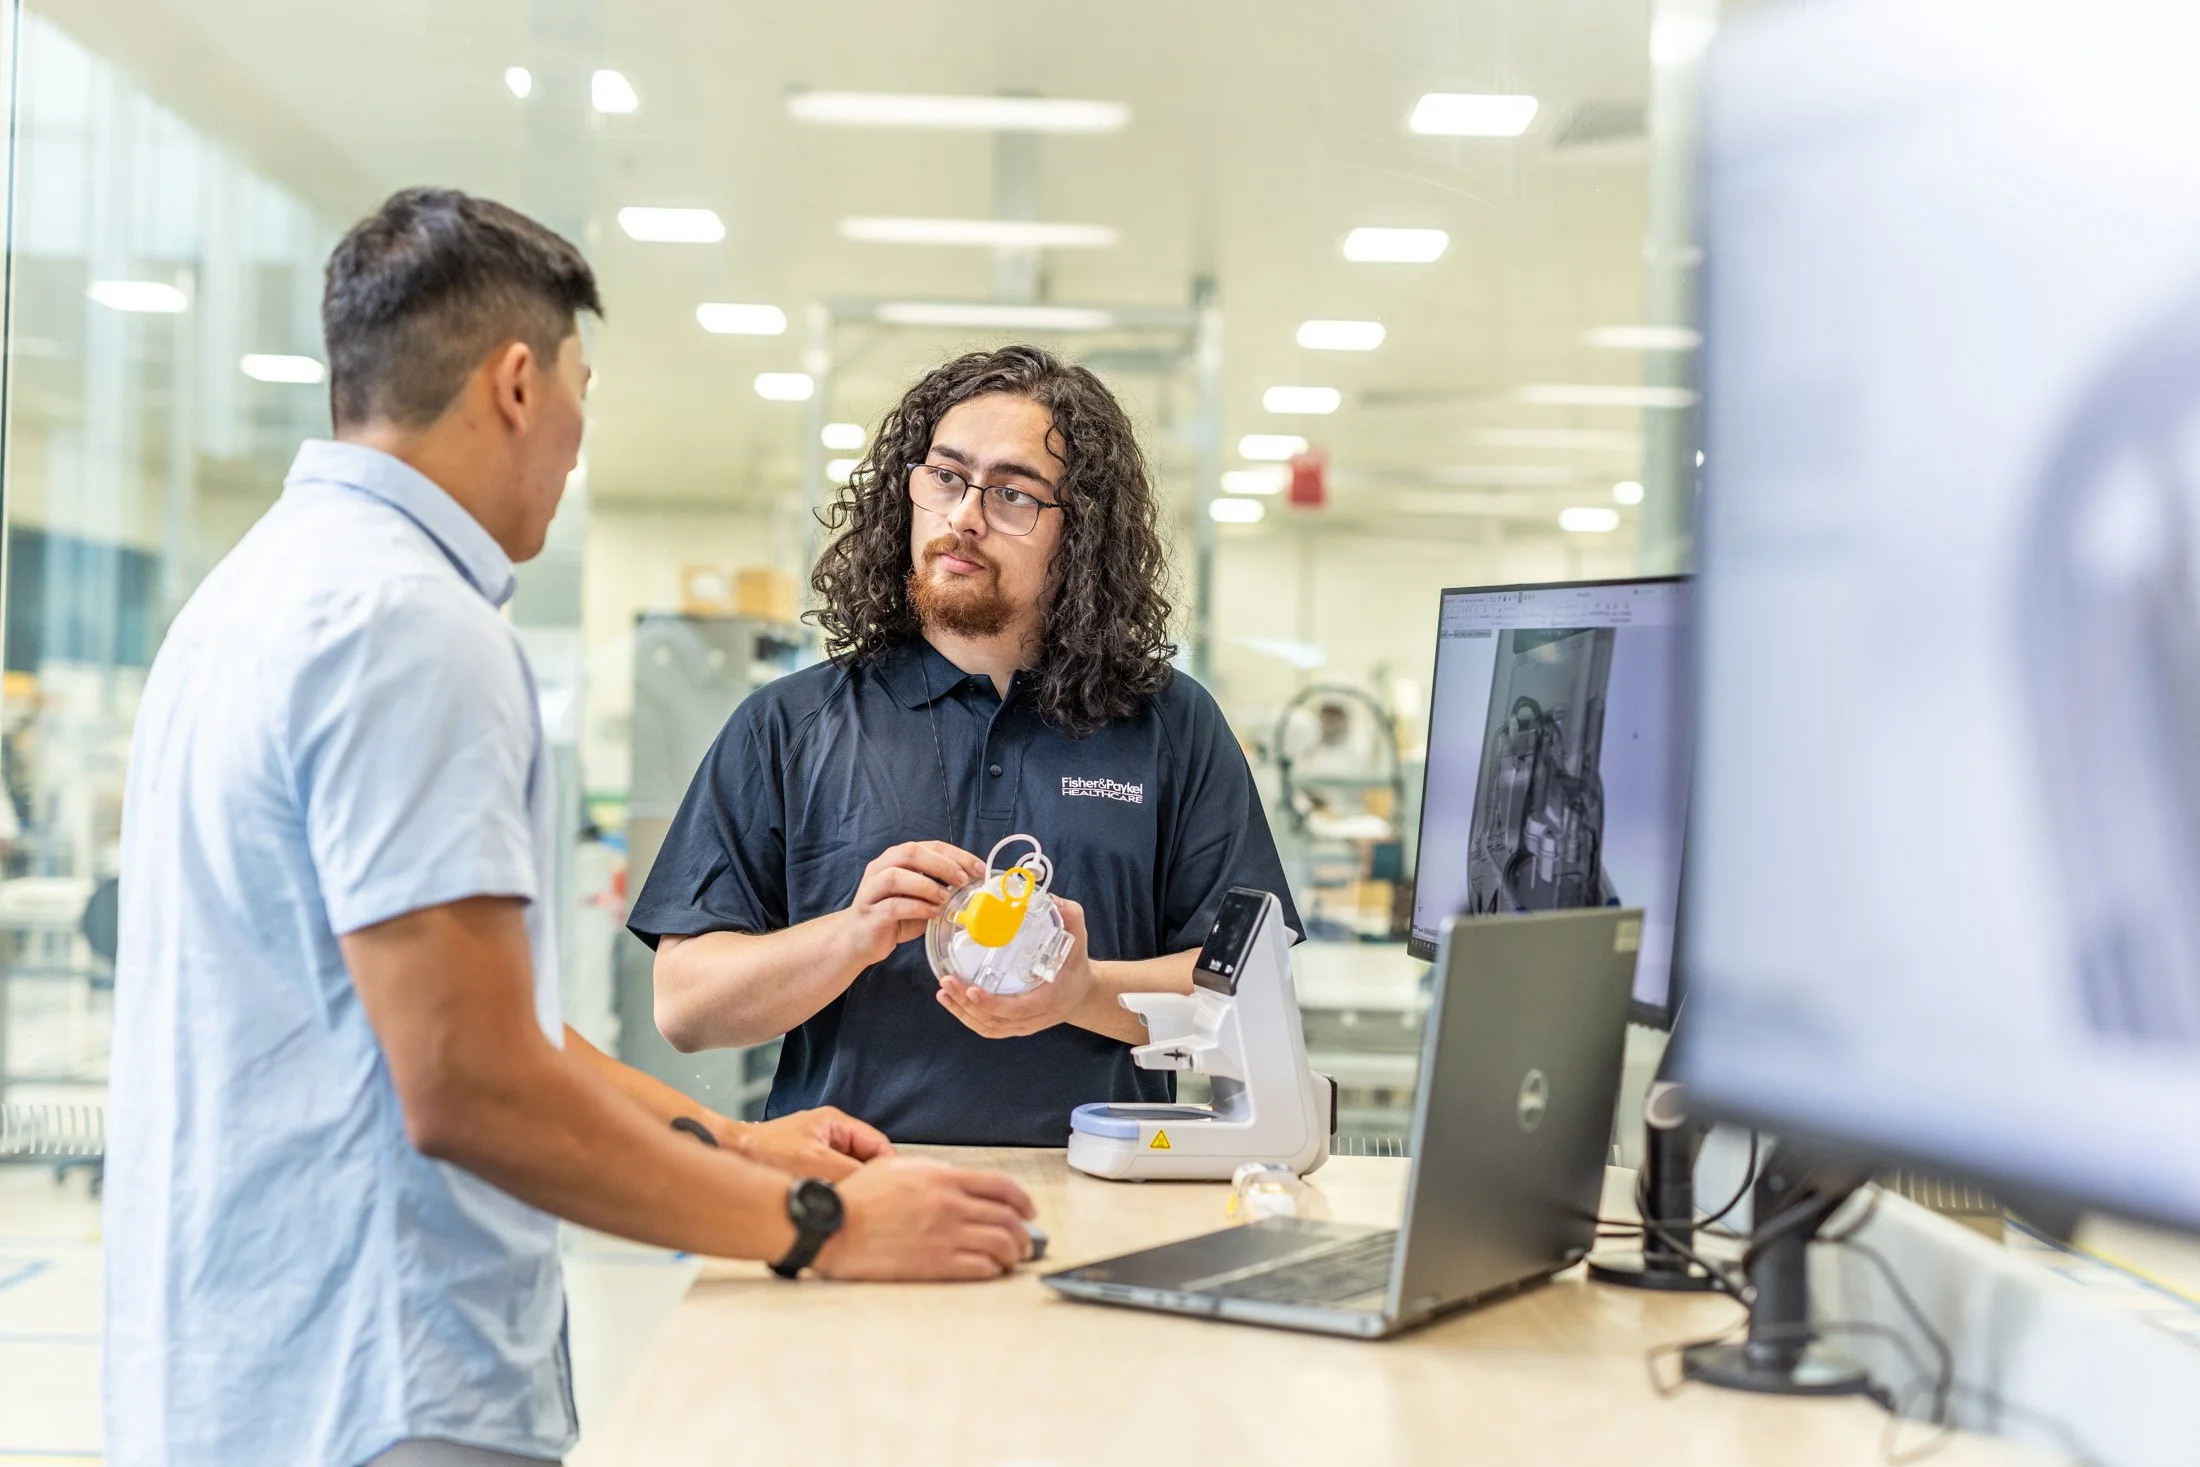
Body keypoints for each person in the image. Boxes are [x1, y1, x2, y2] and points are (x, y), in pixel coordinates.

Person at [104, 189, 1034, 1467]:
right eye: (583, 392)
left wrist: (734, 1140)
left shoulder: (257, 593)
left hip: (244, 1366)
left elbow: (487, 1027)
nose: (582, 443)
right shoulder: (408, 627)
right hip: (374, 1385)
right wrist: (817, 1223)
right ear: (519, 382)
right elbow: (472, 1087)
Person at [634, 345, 1300, 1147]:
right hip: (851, 1191)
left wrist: (1079, 991)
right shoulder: (791, 725)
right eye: (946, 477)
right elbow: (683, 1007)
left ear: (1080, 534)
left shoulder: (1171, 726)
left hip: (1105, 1185)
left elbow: (1250, 994)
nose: (964, 516)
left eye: (1013, 493)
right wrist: (849, 935)